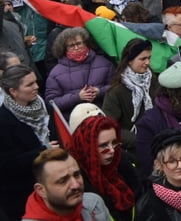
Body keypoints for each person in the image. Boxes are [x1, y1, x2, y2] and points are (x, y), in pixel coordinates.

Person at [0, 64, 60, 219]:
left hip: (54, 183)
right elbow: (8, 165)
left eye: (35, 82)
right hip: (24, 194)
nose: (36, 87)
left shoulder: (44, 107)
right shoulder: (3, 121)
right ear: (13, 91)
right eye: (29, 84)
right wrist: (42, 151)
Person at [68, 115, 141, 221]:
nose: (111, 150)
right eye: (103, 146)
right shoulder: (77, 187)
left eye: (114, 143)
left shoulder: (124, 167)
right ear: (88, 147)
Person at [22, 148, 110, 221]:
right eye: (63, 181)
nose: (75, 185)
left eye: (77, 175)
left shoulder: (94, 202)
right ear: (41, 190)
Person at [101, 39, 157, 151]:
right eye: (142, 59)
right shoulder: (116, 91)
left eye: (149, 58)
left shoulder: (154, 81)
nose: (147, 63)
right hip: (134, 148)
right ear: (129, 61)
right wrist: (138, 139)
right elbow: (110, 127)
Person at [45, 27, 115, 117]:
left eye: (79, 43)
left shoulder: (104, 63)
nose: (76, 48)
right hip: (75, 121)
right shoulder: (55, 73)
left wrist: (100, 92)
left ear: (86, 43)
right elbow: (52, 103)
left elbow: (116, 87)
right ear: (64, 48)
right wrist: (77, 97)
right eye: (71, 45)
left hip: (103, 116)